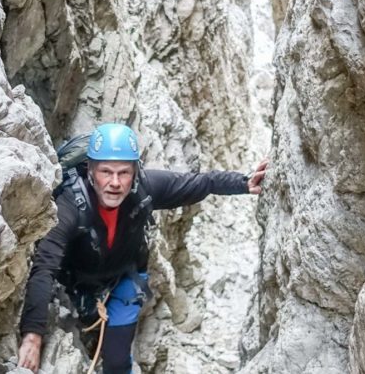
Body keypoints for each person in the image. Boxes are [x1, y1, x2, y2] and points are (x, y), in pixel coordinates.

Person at [18, 123, 267, 373]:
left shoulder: (145, 188)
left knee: (116, 363)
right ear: (90, 170)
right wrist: (33, 336)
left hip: (125, 280)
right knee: (87, 322)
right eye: (106, 172)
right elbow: (44, 268)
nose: (115, 182)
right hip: (75, 284)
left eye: (124, 173)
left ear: (135, 172)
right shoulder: (69, 207)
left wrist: (244, 183)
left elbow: (202, 183)